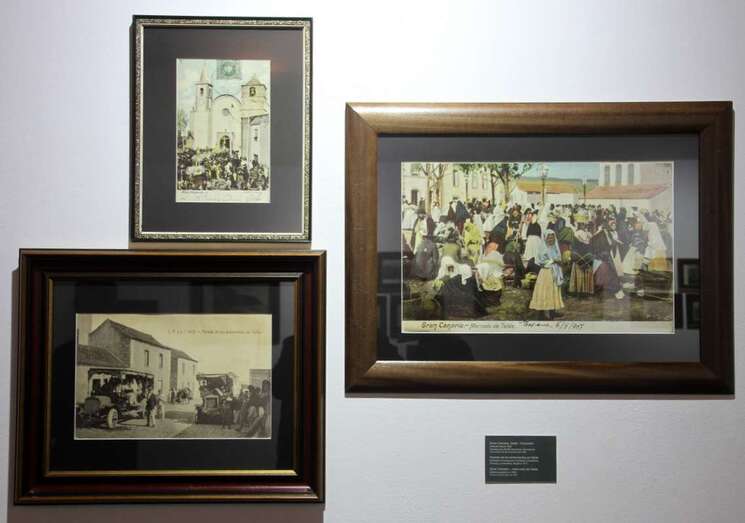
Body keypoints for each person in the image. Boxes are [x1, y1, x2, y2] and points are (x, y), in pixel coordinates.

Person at [529, 229, 565, 319]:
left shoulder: (555, 247)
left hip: (554, 272)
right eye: (549, 238)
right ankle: (541, 314)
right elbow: (541, 262)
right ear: (545, 238)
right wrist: (553, 261)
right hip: (546, 273)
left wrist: (558, 261)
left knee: (554, 291)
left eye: (552, 238)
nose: (551, 240)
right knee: (545, 292)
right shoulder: (543, 248)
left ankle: (552, 312)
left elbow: (559, 259)